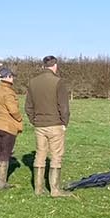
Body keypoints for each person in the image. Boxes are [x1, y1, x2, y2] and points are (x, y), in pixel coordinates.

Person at [23, 56, 71, 197]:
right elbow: (64, 107)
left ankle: (38, 189)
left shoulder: (32, 82)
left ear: (43, 66)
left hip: (39, 125)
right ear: (55, 65)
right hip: (55, 124)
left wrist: (34, 121)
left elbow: (28, 107)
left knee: (40, 154)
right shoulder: (59, 82)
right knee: (56, 156)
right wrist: (64, 123)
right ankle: (55, 190)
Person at [0, 68, 22, 190]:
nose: (12, 78)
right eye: (11, 76)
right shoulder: (8, 92)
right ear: (5, 77)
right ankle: (2, 183)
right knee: (5, 154)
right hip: (7, 126)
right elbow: (13, 110)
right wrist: (19, 118)